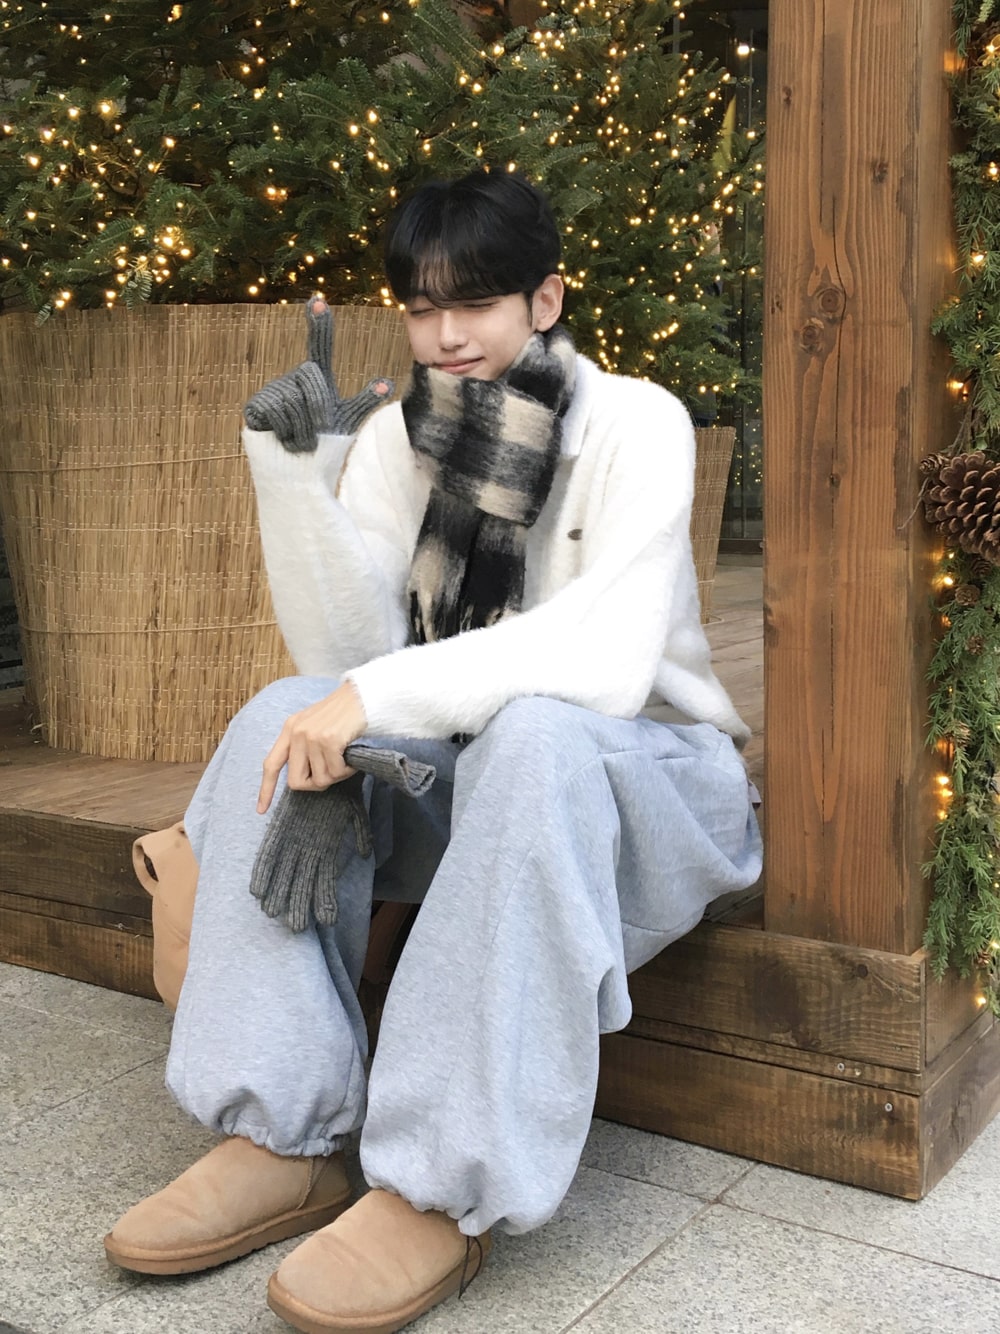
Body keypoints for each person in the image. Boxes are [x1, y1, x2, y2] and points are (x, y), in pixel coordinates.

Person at [103, 169, 762, 1334]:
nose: (447, 334)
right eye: (421, 307)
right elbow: (344, 657)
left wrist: (374, 697)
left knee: (537, 731)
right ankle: (280, 1132)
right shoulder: (398, 439)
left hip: (641, 775)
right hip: (479, 770)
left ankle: (435, 1184)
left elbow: (606, 657)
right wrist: (292, 482)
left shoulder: (636, 422)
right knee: (275, 711)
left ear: (545, 300)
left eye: (478, 302)